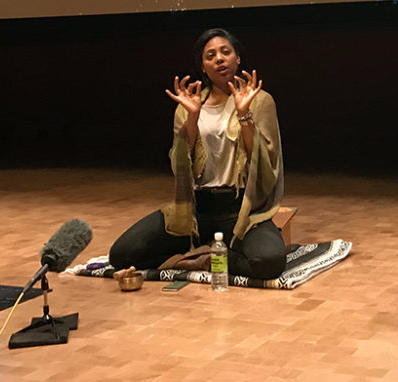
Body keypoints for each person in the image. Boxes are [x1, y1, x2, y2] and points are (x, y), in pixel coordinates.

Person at [108, 28, 287, 279]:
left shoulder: (260, 100)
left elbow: (265, 162)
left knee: (270, 262)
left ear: (238, 59)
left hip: (241, 210)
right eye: (210, 55)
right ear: (203, 67)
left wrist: (244, 114)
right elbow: (180, 164)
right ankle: (202, 251)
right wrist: (192, 118)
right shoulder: (189, 104)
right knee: (121, 255)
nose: (219, 59)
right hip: (196, 210)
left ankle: (206, 259)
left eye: (226, 52)